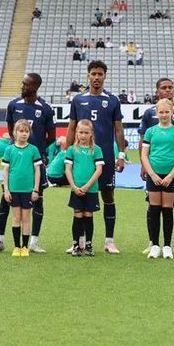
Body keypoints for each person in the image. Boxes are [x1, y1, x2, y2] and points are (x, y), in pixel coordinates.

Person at [0, 74, 56, 254]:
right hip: (16, 161)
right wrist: (16, 145)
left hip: (35, 162)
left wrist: (37, 151)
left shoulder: (46, 109)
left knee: (37, 200)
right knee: (6, 198)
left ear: (35, 87)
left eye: (26, 84)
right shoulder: (14, 105)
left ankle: (33, 242)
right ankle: (0, 240)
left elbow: (52, 137)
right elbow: (10, 128)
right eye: (23, 83)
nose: (22, 86)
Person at [66, 61, 127, 254]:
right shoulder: (78, 100)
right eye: (93, 73)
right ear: (88, 75)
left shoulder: (112, 100)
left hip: (106, 156)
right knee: (81, 196)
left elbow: (118, 129)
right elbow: (72, 127)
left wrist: (121, 154)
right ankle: (81, 241)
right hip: (82, 159)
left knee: (108, 196)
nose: (96, 77)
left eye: (100, 74)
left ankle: (109, 240)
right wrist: (67, 153)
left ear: (105, 76)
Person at [140, 99, 174, 260]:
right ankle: (154, 245)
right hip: (154, 175)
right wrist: (152, 174)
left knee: (167, 209)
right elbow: (144, 155)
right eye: (161, 112)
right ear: (156, 113)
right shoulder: (150, 131)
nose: (164, 115)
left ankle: (167, 246)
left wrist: (171, 176)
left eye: (167, 112)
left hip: (170, 176)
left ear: (172, 112)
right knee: (154, 209)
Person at [1, 120, 43, 257]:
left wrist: (36, 189)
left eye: (26, 131)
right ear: (15, 133)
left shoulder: (33, 150)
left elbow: (38, 171)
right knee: (16, 217)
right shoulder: (9, 150)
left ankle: (25, 247)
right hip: (14, 189)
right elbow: (5, 171)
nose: (24, 134)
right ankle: (16, 246)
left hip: (28, 190)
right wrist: (6, 189)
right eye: (21, 131)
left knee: (26, 218)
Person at [66, 120, 104, 256]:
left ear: (91, 134)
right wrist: (74, 186)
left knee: (88, 215)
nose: (83, 135)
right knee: (77, 215)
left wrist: (87, 186)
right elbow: (68, 170)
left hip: (91, 189)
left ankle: (88, 245)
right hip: (76, 189)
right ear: (76, 133)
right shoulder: (71, 150)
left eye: (86, 133)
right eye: (80, 132)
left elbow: (99, 170)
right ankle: (76, 245)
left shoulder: (96, 150)